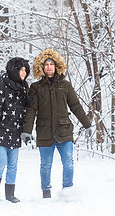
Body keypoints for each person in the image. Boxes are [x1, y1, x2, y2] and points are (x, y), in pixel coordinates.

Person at [21, 49, 93, 199]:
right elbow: (31, 111)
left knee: (68, 162)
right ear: (42, 67)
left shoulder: (65, 85)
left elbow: (75, 106)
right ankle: (46, 192)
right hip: (45, 131)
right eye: (46, 64)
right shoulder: (35, 88)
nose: (48, 67)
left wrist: (87, 124)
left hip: (64, 130)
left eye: (51, 64)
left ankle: (67, 190)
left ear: (56, 66)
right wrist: (27, 131)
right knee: (46, 165)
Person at [0, 57, 32, 203]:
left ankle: (10, 195)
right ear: (14, 69)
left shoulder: (24, 87)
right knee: (1, 163)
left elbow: (26, 112)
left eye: (25, 70)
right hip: (0, 130)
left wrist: (26, 132)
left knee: (13, 166)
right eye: (21, 69)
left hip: (15, 131)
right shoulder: (2, 85)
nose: (23, 72)